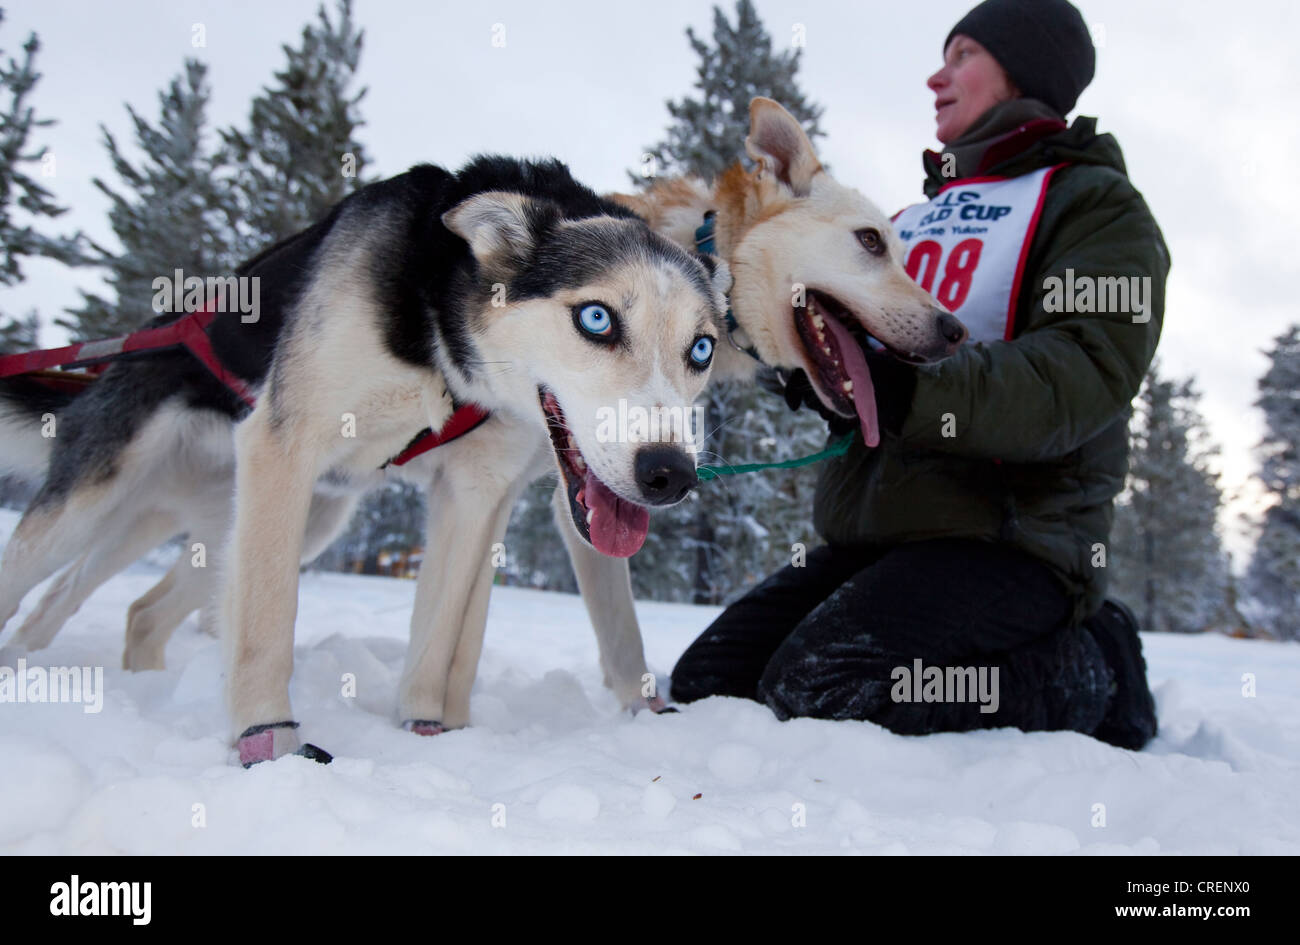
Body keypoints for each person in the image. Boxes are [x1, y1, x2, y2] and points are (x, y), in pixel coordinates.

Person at [670, 0, 1167, 749]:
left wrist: (907, 386)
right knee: (709, 682)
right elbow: (866, 368)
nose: (937, 75)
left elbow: (1080, 372)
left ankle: (1092, 664)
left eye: (963, 54)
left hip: (1009, 539)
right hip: (881, 534)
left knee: (821, 687)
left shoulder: (1095, 207)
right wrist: (814, 371)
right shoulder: (913, 220)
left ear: (1025, 69)